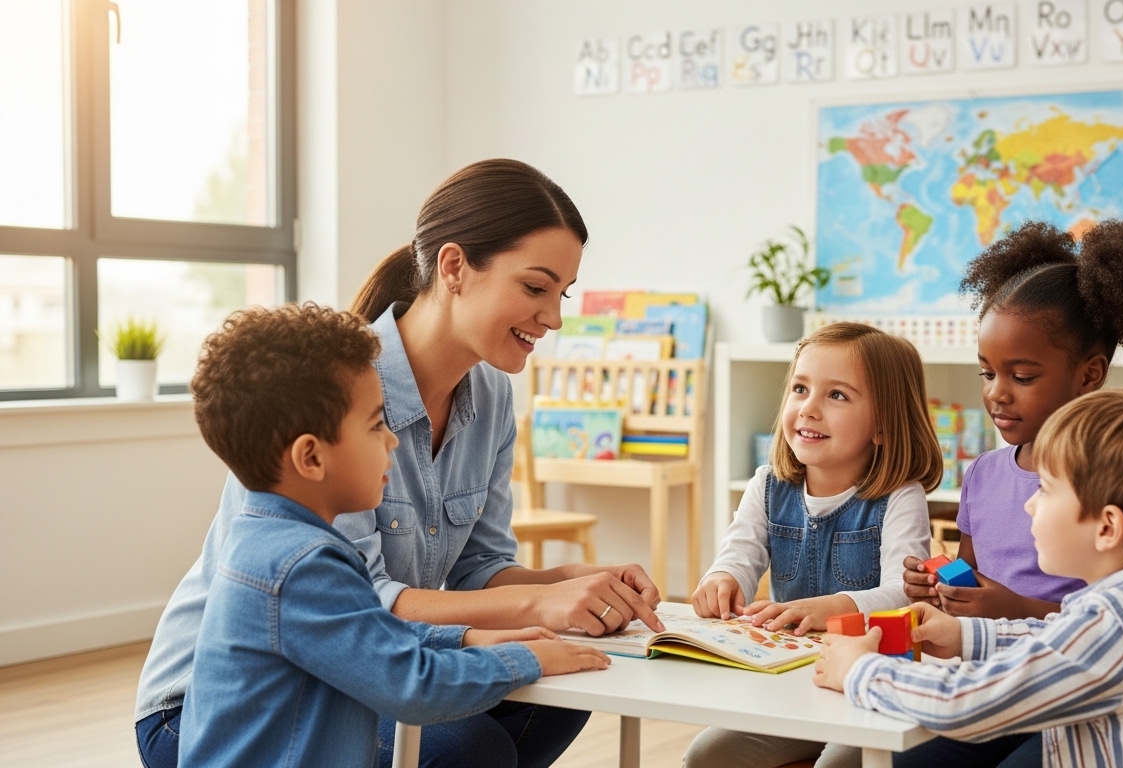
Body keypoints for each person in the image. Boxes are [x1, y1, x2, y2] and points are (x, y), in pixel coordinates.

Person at [135, 159, 663, 768]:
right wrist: (527, 618)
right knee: (469, 745)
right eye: (535, 288)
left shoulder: (491, 396)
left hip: (360, 662)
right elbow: (367, 607)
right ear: (454, 267)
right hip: (218, 711)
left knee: (563, 689)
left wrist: (568, 584)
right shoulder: (336, 394)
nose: (554, 318)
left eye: (561, 294)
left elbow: (478, 568)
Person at [178, 303, 610, 767]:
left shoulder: (270, 542)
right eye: (375, 424)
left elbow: (367, 637)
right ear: (311, 458)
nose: (393, 439)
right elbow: (413, 687)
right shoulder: (302, 566)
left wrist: (463, 640)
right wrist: (529, 661)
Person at [815, 386, 1123, 767]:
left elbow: (965, 702)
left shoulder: (1116, 625)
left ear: (1107, 528)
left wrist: (859, 670)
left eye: (1046, 489)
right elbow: (1055, 639)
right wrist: (963, 635)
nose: (1030, 504)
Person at [895, 220, 1123, 767]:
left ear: (1089, 374)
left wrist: (1013, 608)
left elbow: (1119, 622)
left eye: (1022, 376)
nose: (996, 393)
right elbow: (970, 576)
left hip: (1078, 697)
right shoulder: (984, 473)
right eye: (987, 373)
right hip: (993, 676)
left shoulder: (1114, 484)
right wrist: (939, 586)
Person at [684, 322, 942, 768]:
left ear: (883, 425)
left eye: (836, 395)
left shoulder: (901, 496)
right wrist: (723, 578)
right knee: (707, 756)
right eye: (800, 389)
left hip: (870, 686)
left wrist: (834, 608)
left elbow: (904, 596)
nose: (808, 409)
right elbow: (739, 554)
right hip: (793, 683)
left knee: (837, 765)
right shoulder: (767, 485)